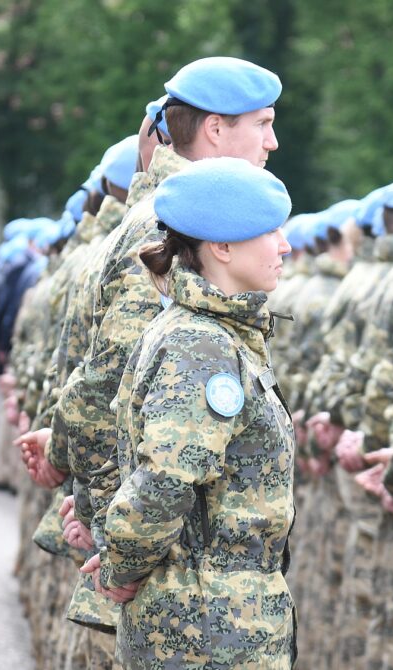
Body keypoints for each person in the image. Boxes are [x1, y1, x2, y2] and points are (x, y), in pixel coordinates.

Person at [84, 157, 296, 668]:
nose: (285, 246)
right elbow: (165, 480)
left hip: (209, 611)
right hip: (205, 623)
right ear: (222, 248)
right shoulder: (202, 345)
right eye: (270, 232)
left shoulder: (209, 332)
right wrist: (121, 566)